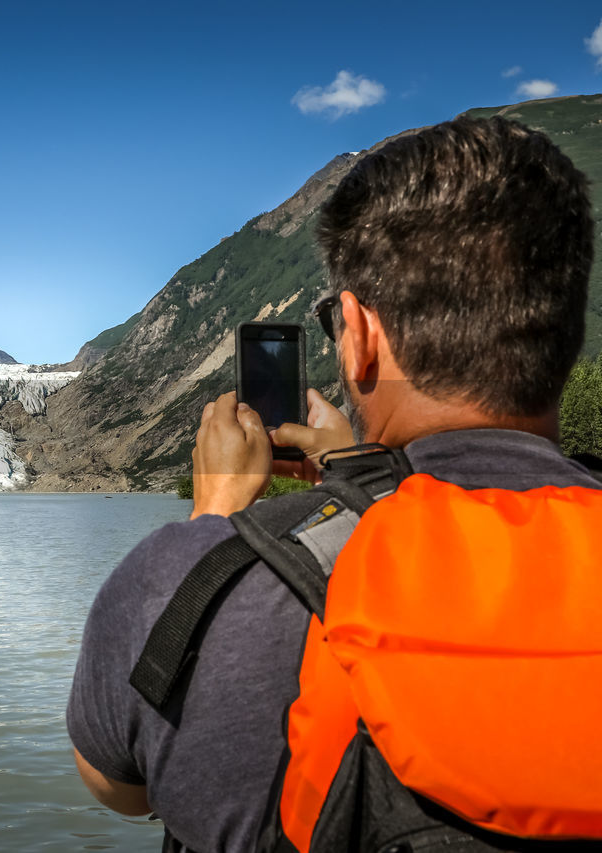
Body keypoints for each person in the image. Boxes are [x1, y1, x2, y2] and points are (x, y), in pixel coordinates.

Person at [66, 116, 599, 852]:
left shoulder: (181, 579)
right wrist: (361, 479)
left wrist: (213, 531)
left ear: (358, 333)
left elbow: (115, 782)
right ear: (566, 325)